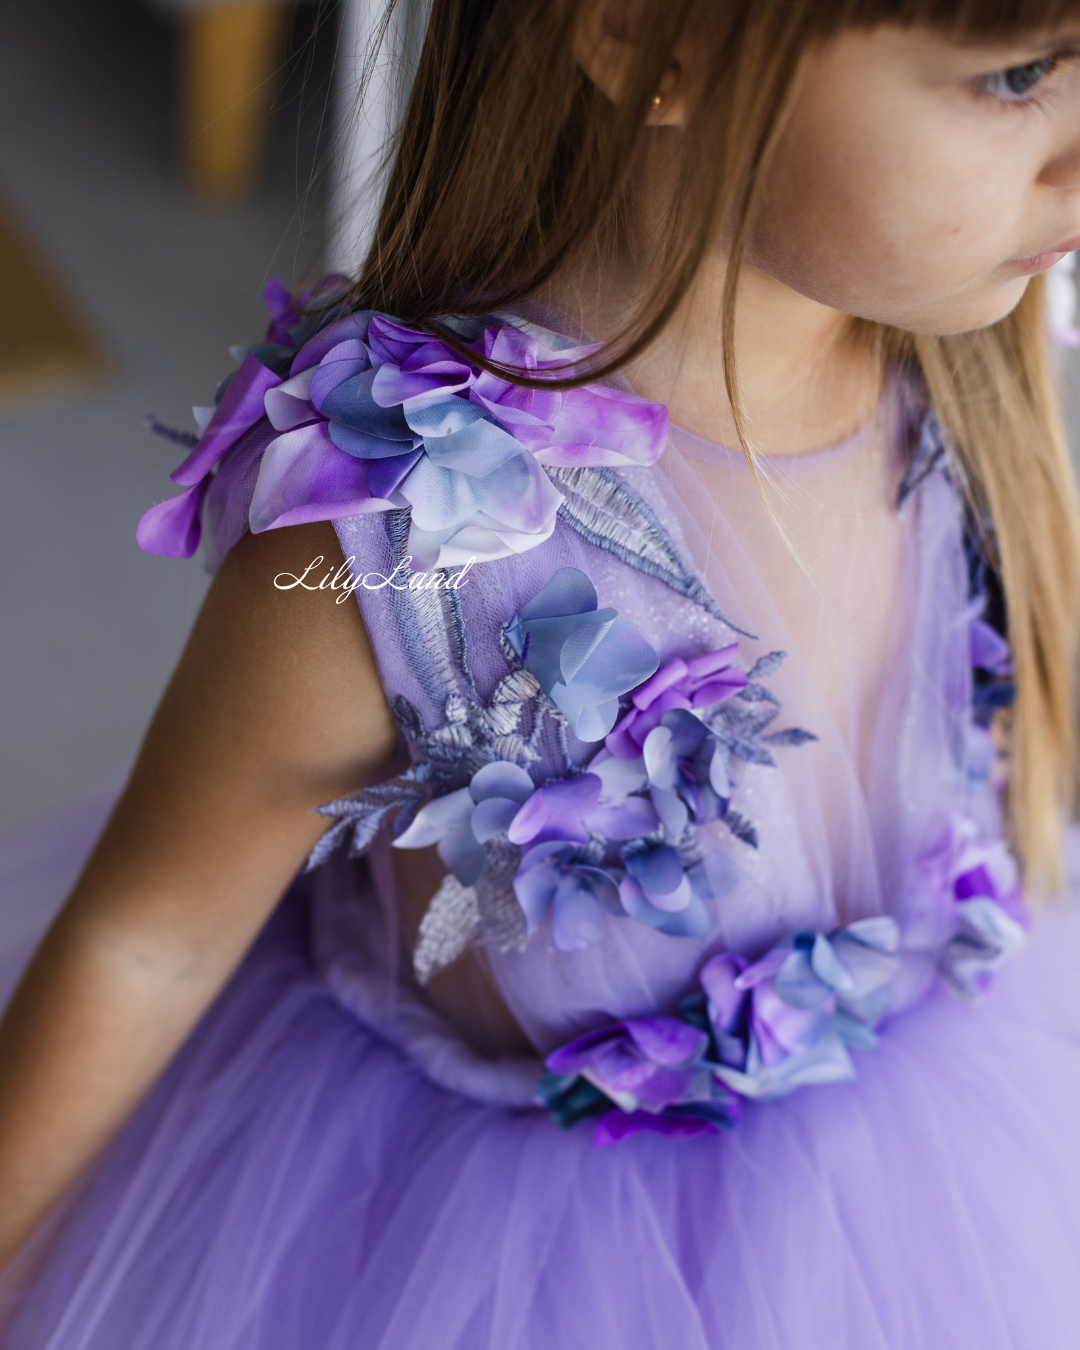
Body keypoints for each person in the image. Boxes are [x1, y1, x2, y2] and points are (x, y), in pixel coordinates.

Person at [2, 1, 1080, 1345]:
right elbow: (147, 942)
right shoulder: (396, 535)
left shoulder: (965, 368)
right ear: (646, 39)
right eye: (1021, 71)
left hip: (936, 1183)